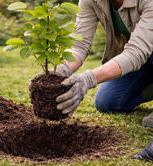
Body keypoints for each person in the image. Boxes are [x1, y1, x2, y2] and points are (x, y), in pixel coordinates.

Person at [29, 0, 153, 161]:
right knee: (107, 101)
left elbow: (137, 51)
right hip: (143, 62)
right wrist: (61, 70)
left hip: (143, 51)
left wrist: (89, 78)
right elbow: (79, 45)